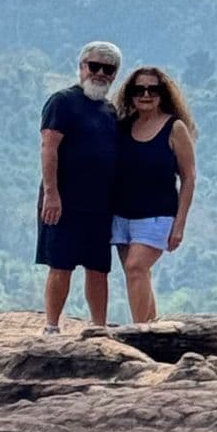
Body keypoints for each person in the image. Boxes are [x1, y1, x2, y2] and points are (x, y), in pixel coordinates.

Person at [36, 42, 122, 334]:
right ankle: (51, 327)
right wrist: (51, 193)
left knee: (99, 267)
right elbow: (49, 147)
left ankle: (98, 328)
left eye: (107, 69)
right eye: (93, 66)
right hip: (63, 200)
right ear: (81, 67)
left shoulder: (111, 111)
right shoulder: (62, 102)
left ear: (114, 74)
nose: (99, 73)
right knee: (61, 264)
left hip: (100, 203)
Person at [111, 65, 197, 323]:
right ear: (130, 94)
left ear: (163, 94)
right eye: (139, 90)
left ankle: (139, 333)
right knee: (137, 274)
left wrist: (179, 224)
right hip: (122, 214)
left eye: (152, 89)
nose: (146, 95)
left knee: (136, 267)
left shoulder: (174, 128)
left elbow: (189, 177)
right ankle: (151, 329)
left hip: (158, 216)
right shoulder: (123, 127)